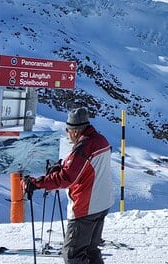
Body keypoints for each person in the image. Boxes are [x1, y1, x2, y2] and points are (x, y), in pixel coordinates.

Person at [22, 107, 114, 264]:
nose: (67, 133)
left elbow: (66, 178)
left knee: (73, 255)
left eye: (68, 130)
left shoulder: (84, 146)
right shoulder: (100, 140)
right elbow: (85, 167)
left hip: (86, 207)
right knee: (90, 251)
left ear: (76, 131)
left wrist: (36, 183)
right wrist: (62, 166)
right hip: (102, 203)